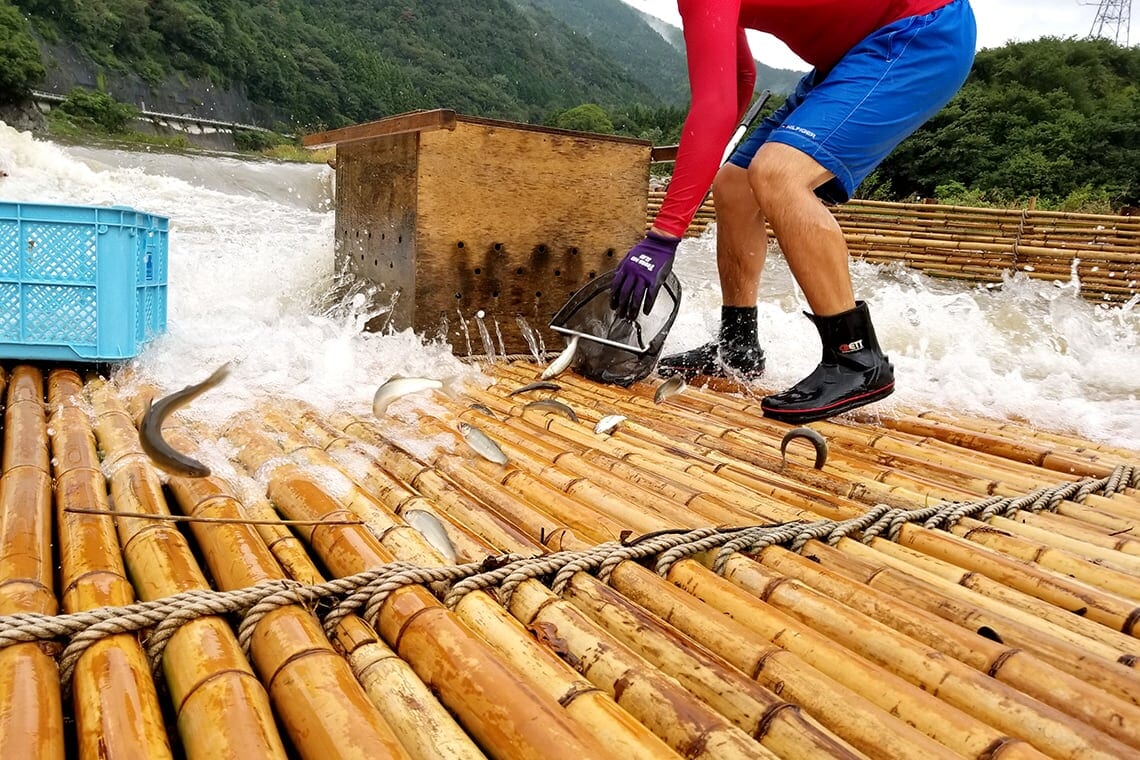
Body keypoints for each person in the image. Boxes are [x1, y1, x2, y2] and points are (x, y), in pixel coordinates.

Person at [610, 0, 977, 424]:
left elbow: (714, 107)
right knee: (735, 182)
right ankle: (738, 345)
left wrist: (663, 236)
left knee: (778, 173)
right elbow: (740, 79)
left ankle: (856, 360)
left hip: (918, 35)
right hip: (846, 59)